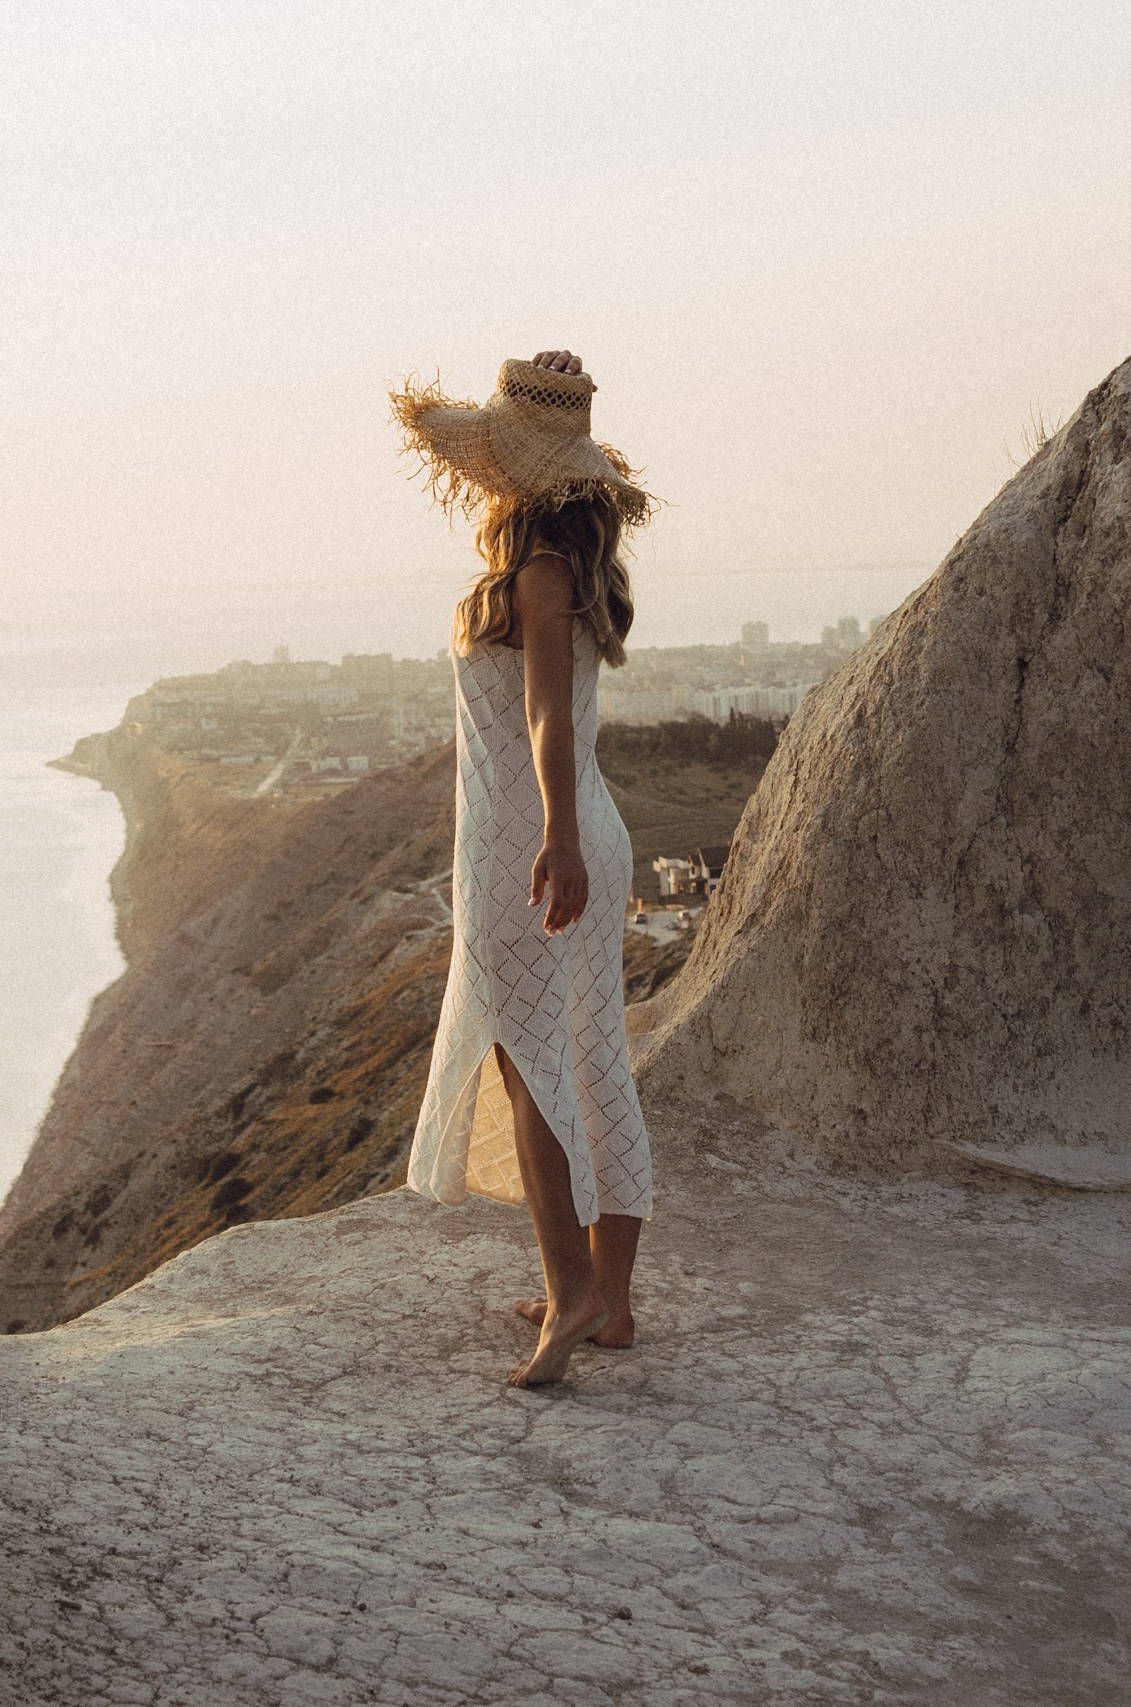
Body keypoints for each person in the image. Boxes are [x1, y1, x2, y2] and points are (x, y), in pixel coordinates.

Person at [393, 350, 658, 1387]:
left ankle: (573, 1291)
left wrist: (553, 835)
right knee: (588, 1054)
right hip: (571, 827)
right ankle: (613, 1303)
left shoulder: (537, 571)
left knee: (529, 1063)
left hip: (530, 840)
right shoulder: (568, 567)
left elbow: (547, 712)